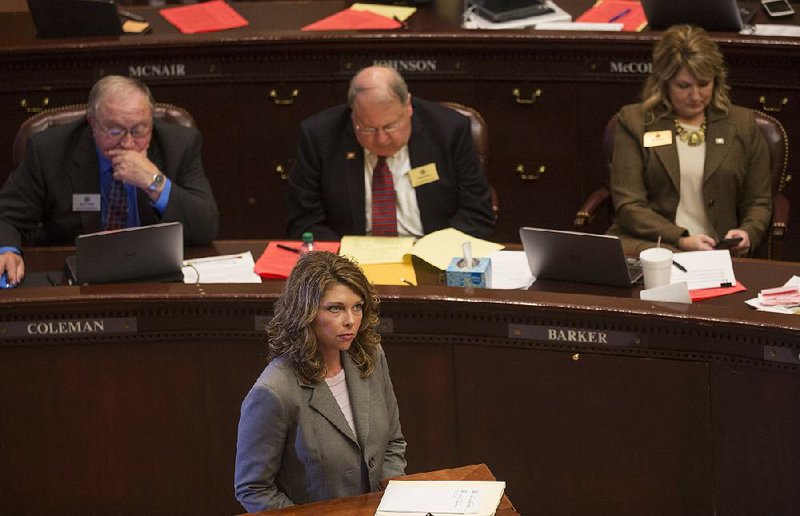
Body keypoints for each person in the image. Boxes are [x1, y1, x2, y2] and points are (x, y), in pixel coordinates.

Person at [0, 75, 219, 286]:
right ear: (92, 123)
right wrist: (6, 250)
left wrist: (154, 182)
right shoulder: (49, 151)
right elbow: (6, 214)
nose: (128, 143)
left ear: (151, 123)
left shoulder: (179, 144)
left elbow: (206, 227)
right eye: (115, 131)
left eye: (139, 129)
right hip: (76, 276)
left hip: (155, 274)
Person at [234, 251, 406, 511]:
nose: (350, 321)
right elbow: (253, 489)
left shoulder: (370, 356)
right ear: (306, 313)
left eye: (357, 307)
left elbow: (393, 442)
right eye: (335, 308)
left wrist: (391, 504)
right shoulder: (274, 392)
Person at [608, 25, 771, 256]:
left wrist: (748, 232)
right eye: (684, 86)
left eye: (704, 84)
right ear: (663, 83)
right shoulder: (635, 122)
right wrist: (680, 238)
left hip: (718, 252)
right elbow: (629, 206)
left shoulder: (742, 124)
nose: (696, 96)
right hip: (653, 247)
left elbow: (758, 202)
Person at [287, 65, 495, 241]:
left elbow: (477, 213)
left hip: (432, 259)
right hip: (351, 267)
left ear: (409, 107)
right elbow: (304, 221)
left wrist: (434, 251)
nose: (381, 139)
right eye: (368, 129)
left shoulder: (449, 130)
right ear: (353, 116)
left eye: (390, 126)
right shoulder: (320, 136)